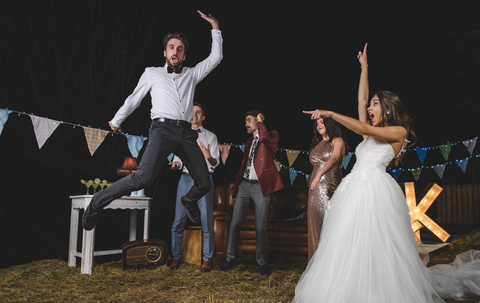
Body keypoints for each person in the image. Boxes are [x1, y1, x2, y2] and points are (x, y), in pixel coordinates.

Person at [293, 44, 480, 302]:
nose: (369, 108)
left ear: (388, 109)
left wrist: (331, 113)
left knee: (374, 243)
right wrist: (364, 67)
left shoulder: (398, 133)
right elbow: (360, 101)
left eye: (375, 104)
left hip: (374, 191)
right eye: (370, 105)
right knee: (349, 244)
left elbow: (363, 127)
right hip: (352, 190)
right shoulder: (368, 130)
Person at [82, 10, 223, 231]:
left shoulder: (192, 74)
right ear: (165, 52)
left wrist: (215, 26)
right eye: (171, 47)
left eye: (180, 48)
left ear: (184, 56)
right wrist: (117, 119)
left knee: (205, 183)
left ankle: (188, 200)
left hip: (186, 134)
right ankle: (96, 204)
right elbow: (134, 98)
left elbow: (216, 58)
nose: (175, 51)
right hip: (162, 130)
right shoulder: (152, 73)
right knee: (142, 179)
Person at [217, 111, 283, 276]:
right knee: (234, 223)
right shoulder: (247, 142)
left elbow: (265, 139)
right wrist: (237, 182)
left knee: (260, 227)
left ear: (258, 120)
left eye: (248, 120)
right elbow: (244, 164)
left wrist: (261, 124)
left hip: (261, 187)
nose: (245, 124)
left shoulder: (271, 136)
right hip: (245, 186)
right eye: (245, 121)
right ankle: (230, 258)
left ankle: (261, 262)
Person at [168, 102, 220, 273]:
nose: (195, 115)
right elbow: (178, 159)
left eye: (198, 112)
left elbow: (215, 163)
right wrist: (175, 164)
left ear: (203, 117)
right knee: (178, 220)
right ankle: (175, 257)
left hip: (204, 181)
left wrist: (208, 156)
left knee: (206, 221)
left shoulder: (211, 136)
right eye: (193, 112)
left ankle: (207, 259)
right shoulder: (181, 135)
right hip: (185, 180)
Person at [306, 117, 346, 261]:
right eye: (317, 124)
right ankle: (316, 263)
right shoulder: (318, 144)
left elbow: (334, 158)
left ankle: (332, 261)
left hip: (329, 184)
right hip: (315, 188)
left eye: (322, 122)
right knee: (315, 221)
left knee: (329, 221)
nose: (319, 126)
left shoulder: (338, 140)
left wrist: (319, 175)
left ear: (330, 123)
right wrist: (316, 178)